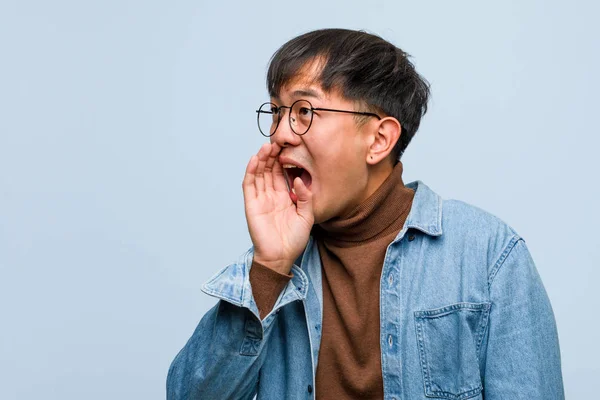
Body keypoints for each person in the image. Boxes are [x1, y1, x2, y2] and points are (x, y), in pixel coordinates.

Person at [166, 28, 564, 400]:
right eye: (275, 112)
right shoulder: (277, 261)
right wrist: (269, 267)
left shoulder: (489, 255)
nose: (280, 133)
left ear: (378, 140)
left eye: (304, 111)